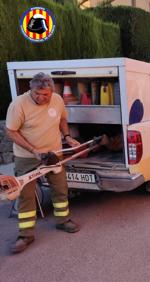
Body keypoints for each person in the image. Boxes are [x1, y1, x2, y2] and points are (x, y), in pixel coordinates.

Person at [6, 72, 81, 254]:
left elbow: (62, 119)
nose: (40, 98)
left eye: (44, 95)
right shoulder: (19, 104)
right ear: (30, 89)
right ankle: (26, 235)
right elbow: (11, 131)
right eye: (36, 93)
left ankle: (63, 221)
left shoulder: (57, 100)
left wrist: (68, 137)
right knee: (26, 195)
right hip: (27, 157)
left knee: (60, 188)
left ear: (51, 91)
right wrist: (33, 150)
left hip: (54, 154)